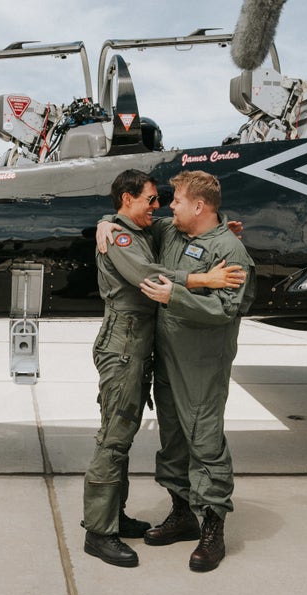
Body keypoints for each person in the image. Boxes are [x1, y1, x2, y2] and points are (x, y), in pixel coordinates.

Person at [82, 169, 245, 568]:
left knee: (195, 440)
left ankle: (199, 526)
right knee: (119, 438)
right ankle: (102, 530)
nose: (162, 208)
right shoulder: (141, 234)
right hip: (130, 349)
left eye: (168, 200)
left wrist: (216, 241)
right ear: (127, 200)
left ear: (199, 206)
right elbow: (144, 272)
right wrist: (202, 277)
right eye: (152, 200)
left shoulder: (213, 245)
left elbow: (226, 306)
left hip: (180, 359)